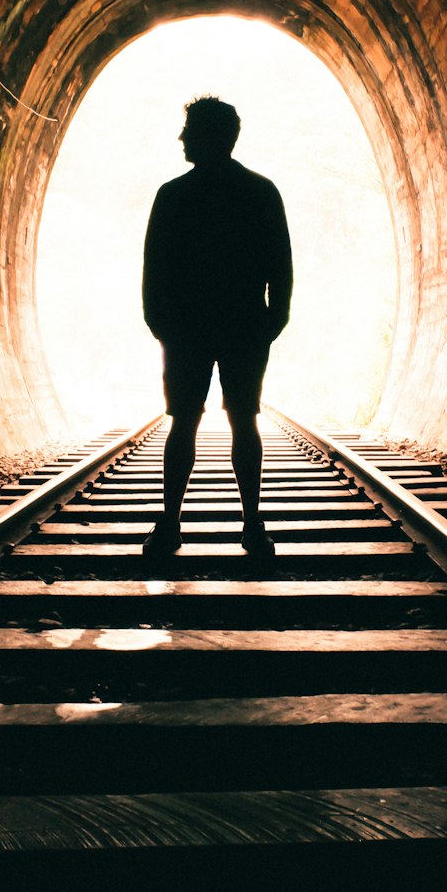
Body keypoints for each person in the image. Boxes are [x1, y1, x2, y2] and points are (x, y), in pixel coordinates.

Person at [141, 95, 293, 559]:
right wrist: (273, 319)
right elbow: (280, 266)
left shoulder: (172, 195)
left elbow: (154, 269)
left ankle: (169, 525)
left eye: (189, 129)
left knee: (182, 422)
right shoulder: (261, 191)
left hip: (186, 329)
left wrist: (161, 323)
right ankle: (252, 525)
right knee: (243, 420)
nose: (182, 137)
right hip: (245, 324)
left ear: (208, 136)